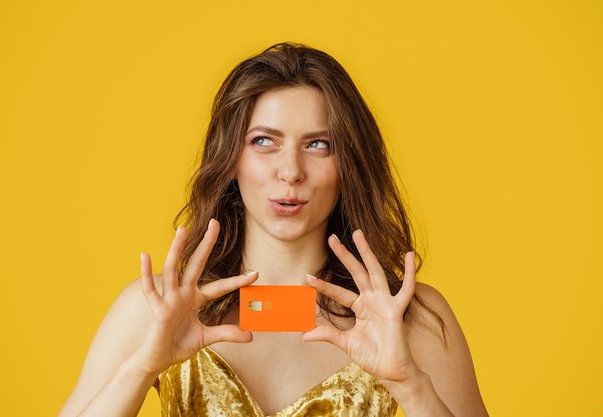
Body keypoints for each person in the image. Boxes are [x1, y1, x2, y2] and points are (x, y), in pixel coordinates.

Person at [58, 42, 488, 417]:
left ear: (349, 165)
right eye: (264, 140)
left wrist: (410, 385)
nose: (290, 171)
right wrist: (140, 369)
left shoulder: (409, 318)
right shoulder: (155, 310)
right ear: (231, 158)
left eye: (318, 144)